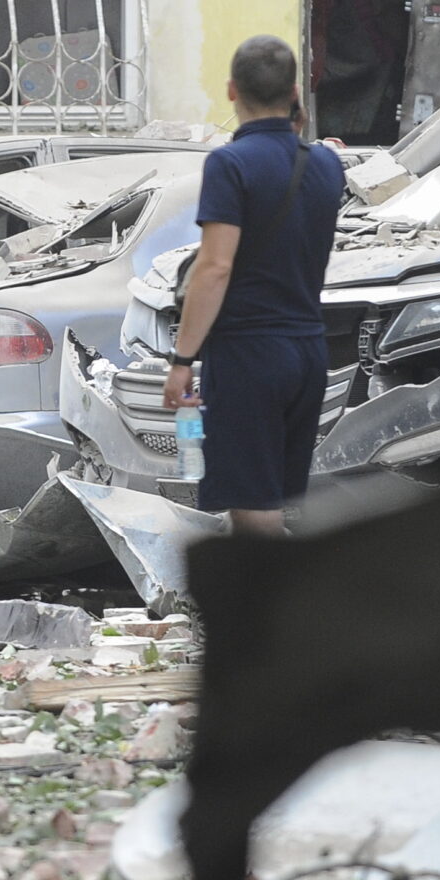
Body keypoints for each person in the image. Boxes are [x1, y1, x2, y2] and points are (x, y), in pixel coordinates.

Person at [160, 35, 345, 535]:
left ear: (230, 91)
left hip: (249, 354)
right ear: (294, 93)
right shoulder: (327, 164)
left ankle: (280, 610)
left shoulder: (230, 164)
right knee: (277, 503)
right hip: (309, 351)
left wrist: (181, 361)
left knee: (252, 509)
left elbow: (215, 268)